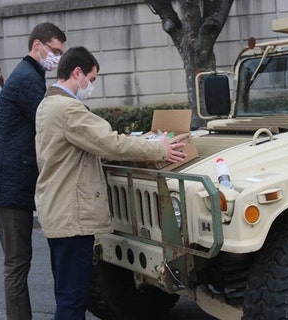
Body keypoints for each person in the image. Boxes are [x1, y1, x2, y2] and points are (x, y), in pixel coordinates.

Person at [34, 46, 186, 319]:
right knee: (72, 298)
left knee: (66, 292)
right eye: (91, 80)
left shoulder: (48, 104)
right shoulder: (68, 109)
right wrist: (159, 149)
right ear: (77, 72)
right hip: (72, 217)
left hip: (58, 211)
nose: (91, 86)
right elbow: (110, 143)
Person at [0, 22, 66, 320]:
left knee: (19, 262)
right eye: (54, 51)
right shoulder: (27, 79)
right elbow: (50, 124)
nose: (57, 57)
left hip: (11, 183)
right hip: (9, 186)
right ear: (37, 46)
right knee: (17, 263)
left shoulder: (29, 75)